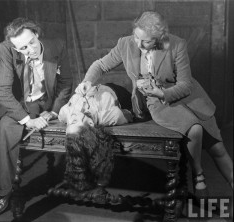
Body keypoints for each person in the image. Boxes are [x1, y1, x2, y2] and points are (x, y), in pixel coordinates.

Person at [75, 11, 233, 200]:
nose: (139, 45)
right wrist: (87, 82)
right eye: (136, 37)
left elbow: (185, 85)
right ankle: (198, 174)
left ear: (159, 37)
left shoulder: (175, 44)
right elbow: (100, 65)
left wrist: (161, 92)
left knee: (218, 149)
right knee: (195, 129)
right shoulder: (125, 44)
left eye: (147, 41)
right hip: (158, 104)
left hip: (189, 98)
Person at [0, 17, 73, 221]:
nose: (29, 50)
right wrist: (28, 120)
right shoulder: (7, 48)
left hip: (44, 104)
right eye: (22, 48)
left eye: (31, 43)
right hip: (18, 105)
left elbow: (65, 83)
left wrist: (53, 112)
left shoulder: (58, 46)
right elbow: (1, 90)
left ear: (37, 33)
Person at [57, 83, 133, 200]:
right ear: (90, 124)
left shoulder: (70, 113)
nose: (73, 117)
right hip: (118, 91)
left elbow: (62, 113)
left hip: (97, 85)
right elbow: (123, 115)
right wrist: (93, 115)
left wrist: (84, 89)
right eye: (76, 121)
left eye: (70, 123)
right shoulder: (105, 114)